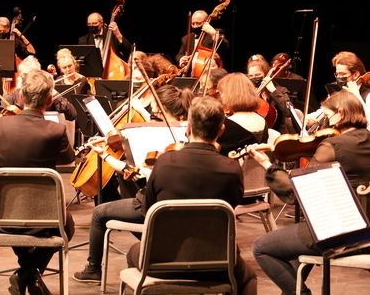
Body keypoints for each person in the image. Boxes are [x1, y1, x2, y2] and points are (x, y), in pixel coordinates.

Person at [74, 96, 257, 294]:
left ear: (188, 128)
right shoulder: (232, 169)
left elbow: (149, 209)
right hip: (218, 261)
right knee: (249, 278)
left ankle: (97, 271)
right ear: (221, 130)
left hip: (163, 259)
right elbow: (233, 206)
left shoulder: (165, 161)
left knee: (133, 250)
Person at [251, 90, 370, 295]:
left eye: (327, 115)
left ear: (340, 114)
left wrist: (267, 164)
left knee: (261, 247)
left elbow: (297, 190)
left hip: (340, 232)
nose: (325, 122)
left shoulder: (332, 146)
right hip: (366, 228)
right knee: (293, 249)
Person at [0, 69, 75, 295]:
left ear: (21, 97)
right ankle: (28, 275)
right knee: (68, 226)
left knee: (18, 218)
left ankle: (27, 274)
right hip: (45, 220)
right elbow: (68, 159)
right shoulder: (55, 129)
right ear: (50, 100)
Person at [0, 56, 76, 168]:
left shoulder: (48, 94)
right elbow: (3, 108)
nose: (23, 79)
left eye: (26, 75)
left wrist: (54, 93)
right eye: (21, 75)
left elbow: (72, 114)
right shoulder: (17, 93)